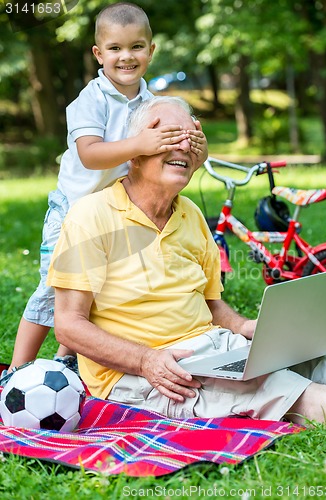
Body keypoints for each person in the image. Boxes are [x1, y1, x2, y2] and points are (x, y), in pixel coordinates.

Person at [46, 95, 326, 427]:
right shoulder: (91, 216)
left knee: (322, 358)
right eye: (168, 136)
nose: (183, 145)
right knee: (294, 393)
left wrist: (246, 329)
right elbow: (68, 325)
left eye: (190, 137)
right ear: (136, 152)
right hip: (148, 375)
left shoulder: (191, 215)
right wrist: (145, 360)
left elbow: (212, 306)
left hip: (215, 351)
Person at [1, 3, 207, 384]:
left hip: (116, 210)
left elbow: (182, 156)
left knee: (96, 291)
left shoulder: (151, 104)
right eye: (115, 48)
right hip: (73, 209)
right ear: (98, 54)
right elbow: (90, 154)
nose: (126, 56)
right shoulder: (90, 100)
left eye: (136, 47)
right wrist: (140, 141)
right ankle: (16, 369)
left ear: (151, 51)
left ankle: (67, 361)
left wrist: (197, 145)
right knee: (54, 289)